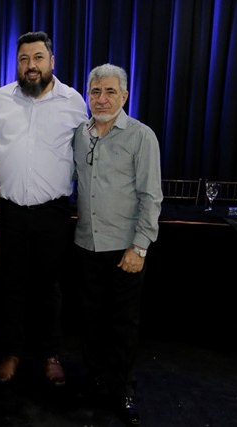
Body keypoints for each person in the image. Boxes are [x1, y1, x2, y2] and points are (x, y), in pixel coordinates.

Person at [0, 31, 88, 386]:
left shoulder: (74, 102)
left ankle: (49, 354)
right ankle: (11, 352)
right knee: (9, 286)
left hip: (54, 213)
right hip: (10, 212)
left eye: (37, 58)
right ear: (16, 63)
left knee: (49, 287)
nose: (30, 66)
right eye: (23, 59)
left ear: (52, 62)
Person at [73, 63, 162, 425]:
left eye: (110, 91)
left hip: (124, 249)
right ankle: (96, 380)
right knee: (90, 321)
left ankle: (122, 388)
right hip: (85, 245)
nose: (102, 98)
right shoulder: (80, 133)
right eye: (95, 91)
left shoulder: (141, 136)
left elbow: (151, 196)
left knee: (123, 324)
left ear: (124, 96)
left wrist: (140, 247)